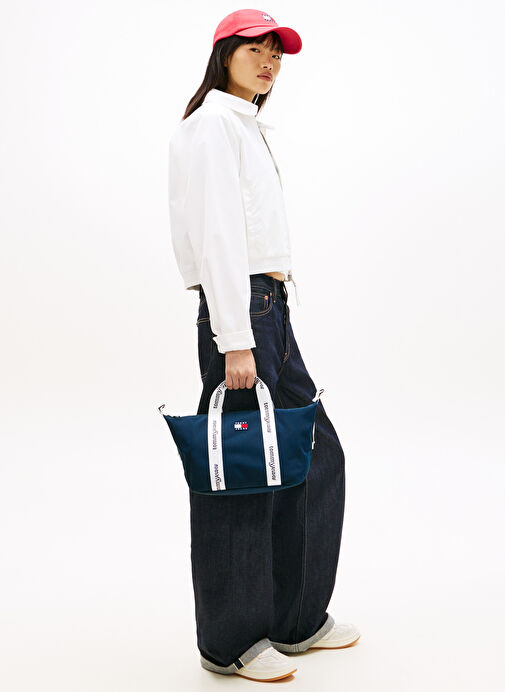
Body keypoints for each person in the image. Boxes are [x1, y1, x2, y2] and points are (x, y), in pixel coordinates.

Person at [168, 9, 360, 682]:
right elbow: (217, 235)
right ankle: (230, 642)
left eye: (276, 52)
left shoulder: (244, 125)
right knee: (242, 474)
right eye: (256, 49)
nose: (269, 61)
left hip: (269, 308)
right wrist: (234, 338)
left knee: (313, 457)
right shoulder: (212, 126)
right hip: (244, 312)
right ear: (224, 54)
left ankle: (295, 618)